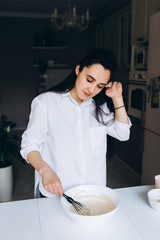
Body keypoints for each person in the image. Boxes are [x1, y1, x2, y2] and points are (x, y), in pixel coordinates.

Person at [20, 48, 131, 198]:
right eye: (89, 80)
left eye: (100, 86)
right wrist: (44, 169)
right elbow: (29, 145)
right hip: (56, 192)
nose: (92, 89)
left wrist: (117, 98)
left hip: (92, 193)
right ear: (78, 69)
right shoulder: (46, 102)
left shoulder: (99, 108)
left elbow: (123, 134)